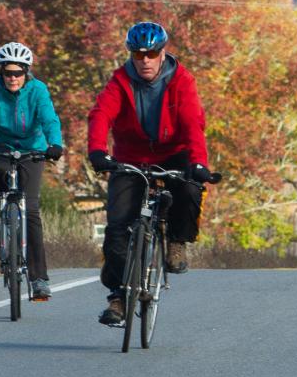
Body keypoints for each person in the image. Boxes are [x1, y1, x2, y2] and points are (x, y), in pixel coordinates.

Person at [87, 21, 213, 327]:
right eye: (139, 53)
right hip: (131, 157)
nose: (145, 60)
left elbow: (193, 122)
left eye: (152, 53)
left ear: (162, 52)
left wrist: (198, 163)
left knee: (190, 188)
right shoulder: (120, 81)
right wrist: (97, 151)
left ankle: (177, 242)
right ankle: (117, 296)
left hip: (174, 152)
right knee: (117, 228)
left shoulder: (181, 80)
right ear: (131, 54)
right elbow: (101, 113)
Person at [0, 41, 64, 301]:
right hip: (1, 144)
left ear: (26, 72)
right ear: (1, 72)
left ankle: (39, 279)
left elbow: (49, 118)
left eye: (18, 73)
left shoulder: (38, 90)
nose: (13, 78)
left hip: (33, 148)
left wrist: (55, 144)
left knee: (30, 211)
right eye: (8, 73)